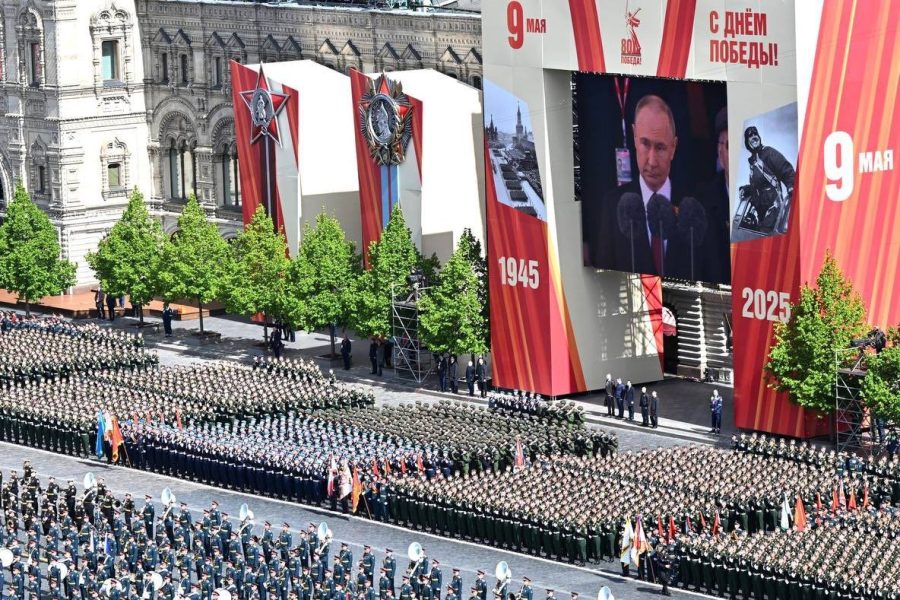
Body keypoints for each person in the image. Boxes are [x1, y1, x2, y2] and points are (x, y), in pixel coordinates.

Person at [586, 95, 691, 279]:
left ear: (673, 147)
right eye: (645, 143)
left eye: (660, 147)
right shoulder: (612, 205)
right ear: (634, 137)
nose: (651, 161)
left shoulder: (695, 207)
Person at [739, 125, 796, 235]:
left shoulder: (769, 153)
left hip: (773, 208)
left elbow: (786, 170)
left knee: (763, 236)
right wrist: (747, 189)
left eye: (755, 134)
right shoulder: (753, 162)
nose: (754, 137)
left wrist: (791, 184)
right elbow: (758, 186)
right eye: (750, 136)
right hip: (761, 211)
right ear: (747, 142)